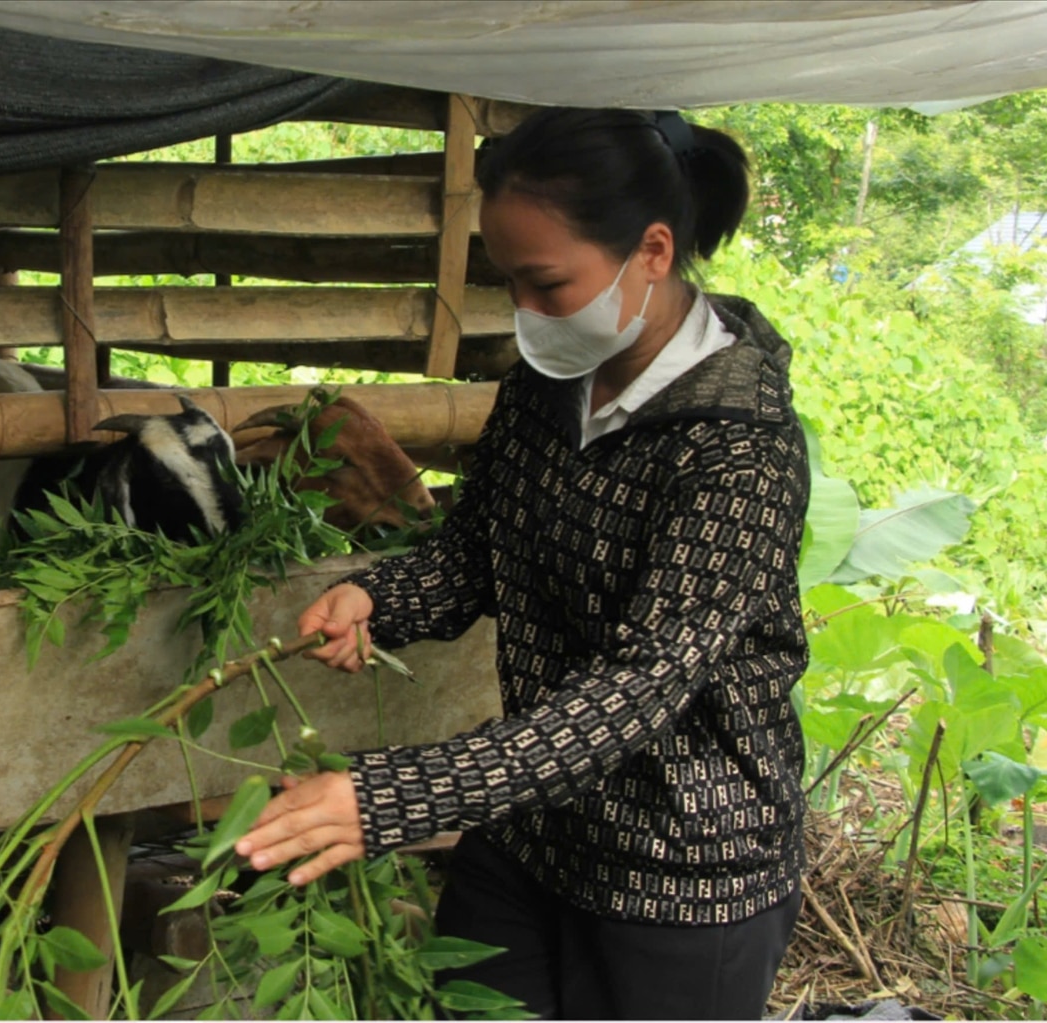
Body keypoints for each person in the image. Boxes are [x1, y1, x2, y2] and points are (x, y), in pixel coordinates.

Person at [235, 107, 810, 1020]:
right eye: (510, 284)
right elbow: (475, 556)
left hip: (682, 869)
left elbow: (636, 689)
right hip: (536, 829)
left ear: (653, 252)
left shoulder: (739, 452)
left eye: (547, 284)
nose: (527, 314)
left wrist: (387, 798)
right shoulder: (546, 387)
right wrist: (376, 597)